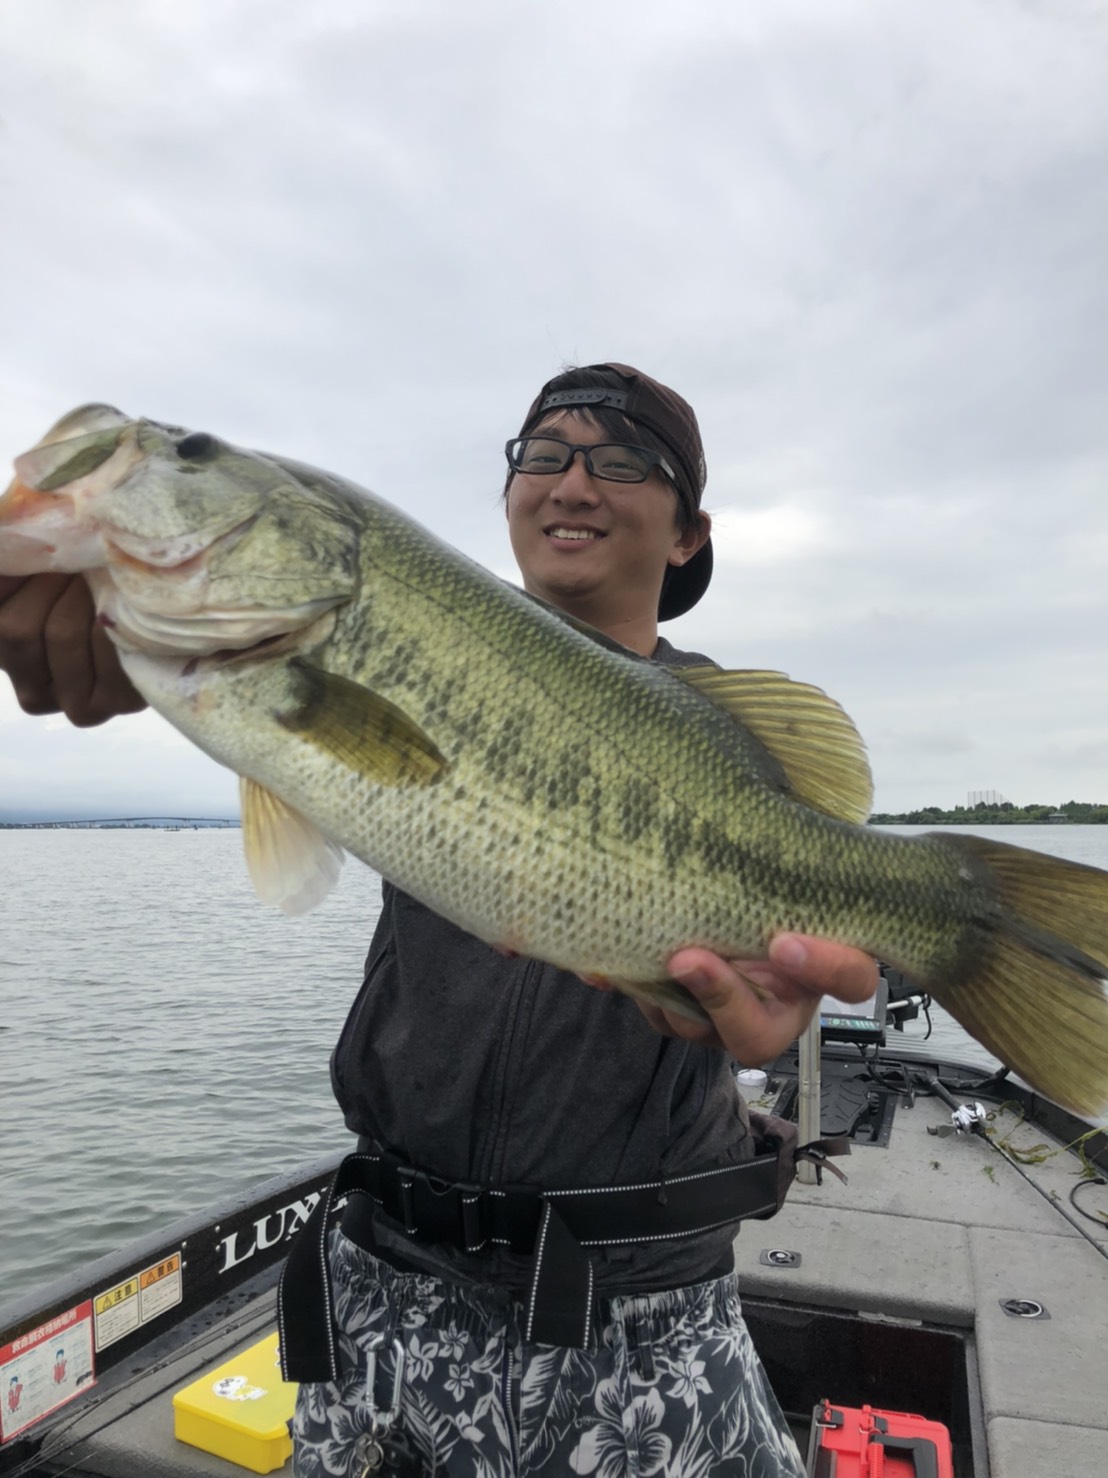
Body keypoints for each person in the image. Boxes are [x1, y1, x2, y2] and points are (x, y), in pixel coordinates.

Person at [0, 364, 876, 1476]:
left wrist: (801, 987)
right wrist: (125, 629)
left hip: (630, 1308)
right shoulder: (379, 635)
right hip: (382, 1282)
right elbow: (268, 693)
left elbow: (802, 947)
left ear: (689, 532)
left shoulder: (716, 734)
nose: (573, 482)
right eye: (542, 455)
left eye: (619, 460)